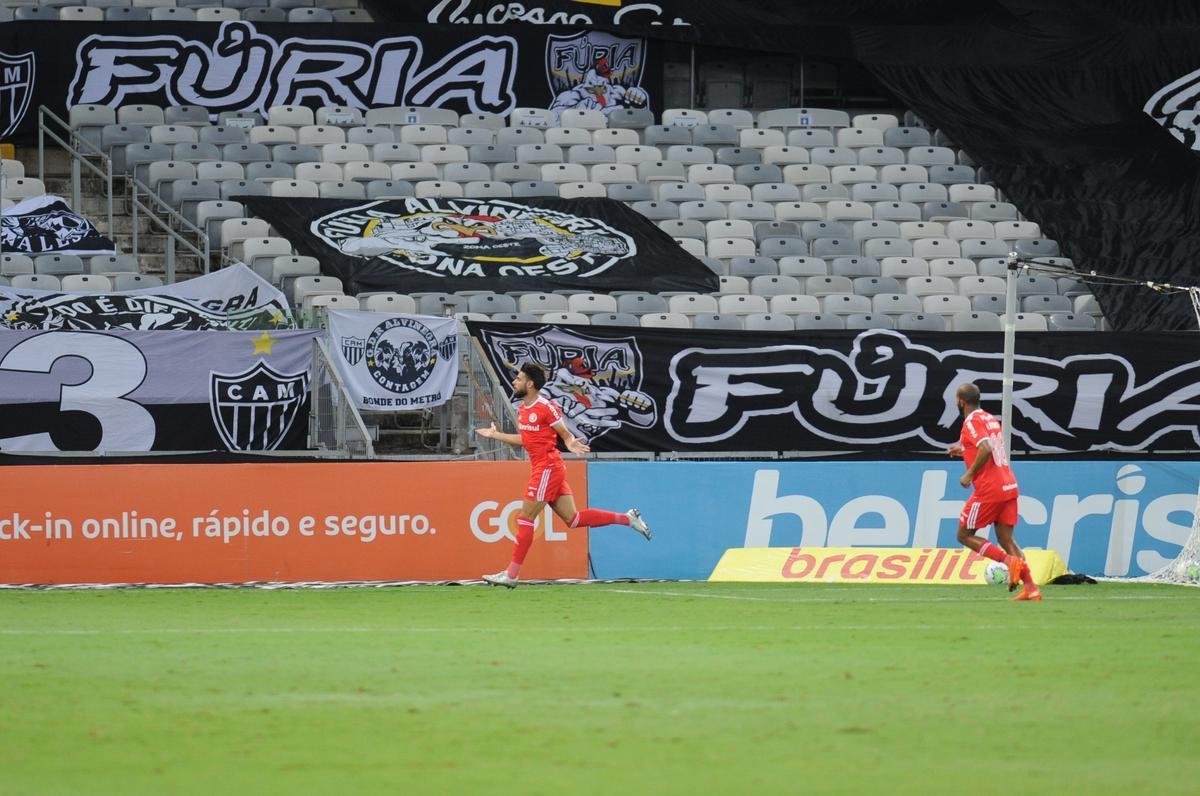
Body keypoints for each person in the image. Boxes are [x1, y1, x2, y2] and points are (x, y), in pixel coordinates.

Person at [475, 362, 651, 588]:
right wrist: (496, 435)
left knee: (525, 518)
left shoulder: (546, 407)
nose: (514, 382)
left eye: (518, 379)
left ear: (530, 384)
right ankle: (627, 518)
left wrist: (571, 443)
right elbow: (526, 440)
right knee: (573, 519)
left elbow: (565, 434)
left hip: (547, 467)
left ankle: (511, 574)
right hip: (547, 468)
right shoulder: (524, 409)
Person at [946, 382, 1042, 601]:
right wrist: (963, 451)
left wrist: (968, 474)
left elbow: (986, 449)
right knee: (1006, 539)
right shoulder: (990, 418)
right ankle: (1031, 588)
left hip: (990, 489)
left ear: (961, 401)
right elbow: (987, 445)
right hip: (1009, 484)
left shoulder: (971, 421)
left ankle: (1010, 563)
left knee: (964, 535)